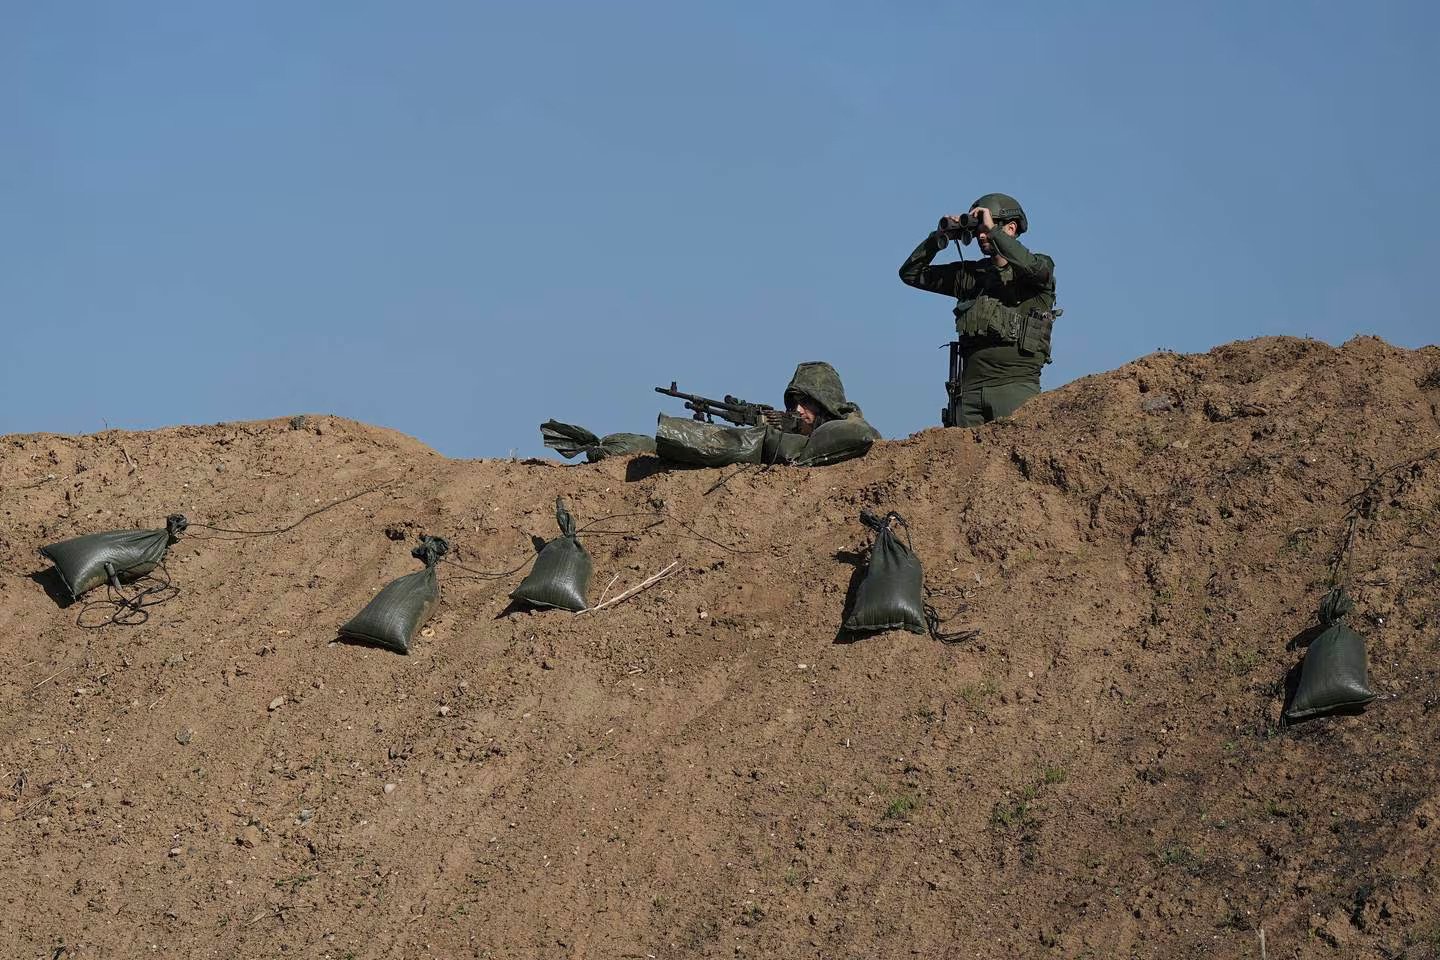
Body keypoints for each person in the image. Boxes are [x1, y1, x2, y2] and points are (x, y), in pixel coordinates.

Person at [899, 193, 1058, 426]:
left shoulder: (1038, 269)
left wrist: (993, 232)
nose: (981, 234)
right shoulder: (970, 276)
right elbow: (911, 274)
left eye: (987, 226)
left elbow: (1035, 269)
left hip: (1015, 388)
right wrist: (937, 239)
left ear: (1011, 228)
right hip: (969, 394)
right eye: (978, 229)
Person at [541, 362, 880, 467]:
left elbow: (856, 435)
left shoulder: (848, 429)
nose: (797, 411)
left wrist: (771, 435)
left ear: (826, 405)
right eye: (793, 404)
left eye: (806, 404)